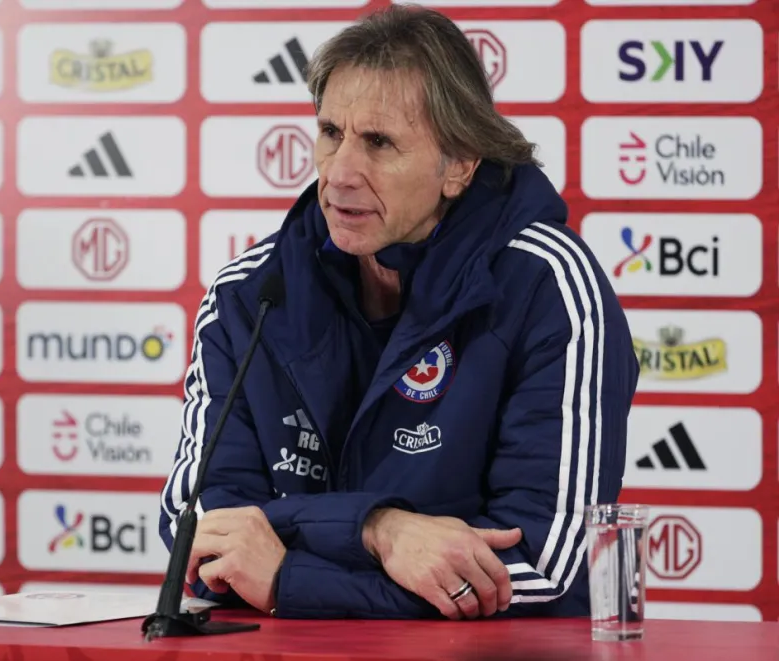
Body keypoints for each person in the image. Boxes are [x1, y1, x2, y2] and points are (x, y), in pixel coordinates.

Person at [158, 4, 638, 620]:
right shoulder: (248, 295)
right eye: (331, 134)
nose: (340, 176)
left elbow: (547, 567)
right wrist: (378, 530)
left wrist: (290, 578)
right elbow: (200, 535)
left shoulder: (549, 287)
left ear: (460, 164)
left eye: (380, 142)